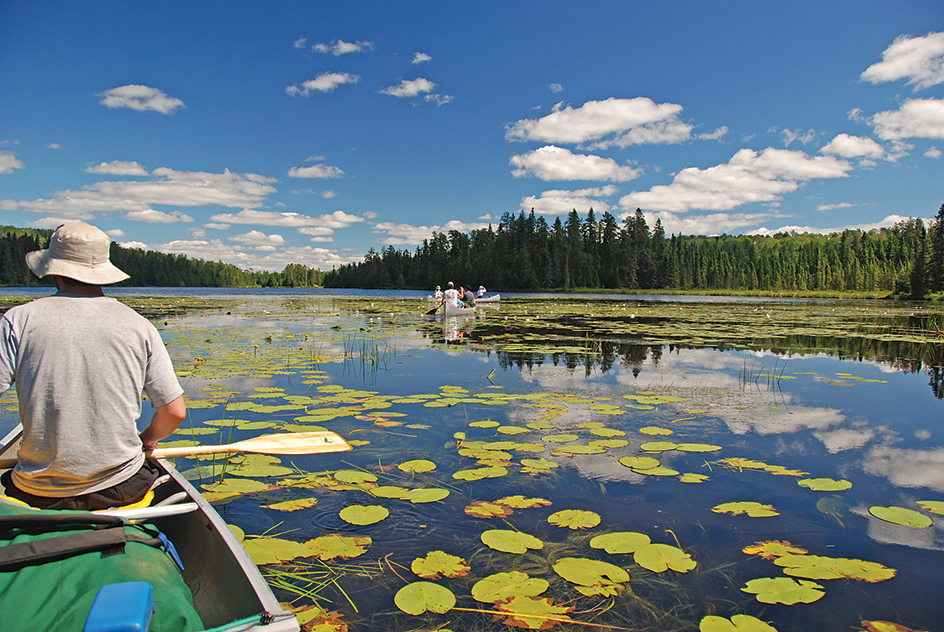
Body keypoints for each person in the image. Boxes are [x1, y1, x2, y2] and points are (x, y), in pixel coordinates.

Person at [0, 223, 186, 511]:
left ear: (54, 268)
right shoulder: (139, 326)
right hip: (120, 487)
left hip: (35, 490)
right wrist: (146, 440)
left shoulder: (17, 320)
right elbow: (174, 412)